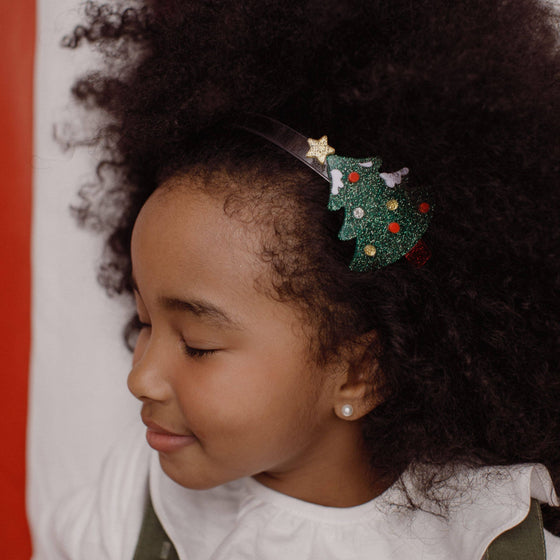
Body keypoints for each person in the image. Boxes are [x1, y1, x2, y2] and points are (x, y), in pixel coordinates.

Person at [35, 0, 560, 558]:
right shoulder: (130, 506)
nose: (141, 378)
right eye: (143, 321)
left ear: (359, 371)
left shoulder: (492, 538)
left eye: (197, 346)